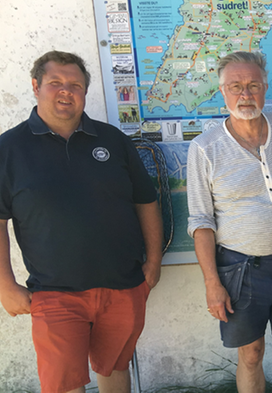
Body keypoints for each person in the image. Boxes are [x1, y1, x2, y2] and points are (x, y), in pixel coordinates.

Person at [0, 50, 162, 393]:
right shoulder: (8, 149)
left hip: (123, 286)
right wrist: (5, 284)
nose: (65, 90)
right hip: (54, 294)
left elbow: (146, 200)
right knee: (62, 384)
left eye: (75, 84)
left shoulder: (113, 140)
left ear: (85, 92)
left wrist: (153, 262)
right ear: (35, 86)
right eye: (55, 82)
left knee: (115, 370)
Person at [187, 51, 272, 393]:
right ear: (222, 91)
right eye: (236, 86)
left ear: (265, 87)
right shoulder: (205, 148)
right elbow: (201, 222)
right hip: (239, 269)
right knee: (251, 356)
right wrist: (212, 283)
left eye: (253, 85)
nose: (245, 94)